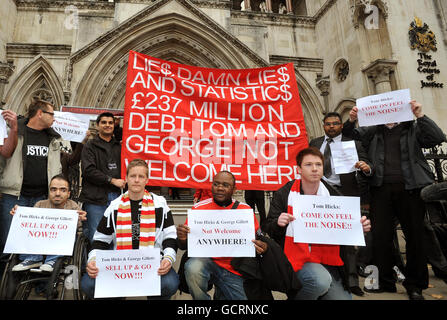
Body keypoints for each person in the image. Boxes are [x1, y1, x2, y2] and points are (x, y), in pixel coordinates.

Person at [343, 100, 447, 300]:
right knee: (381, 238)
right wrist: (352, 120)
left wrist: (420, 115)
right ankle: (386, 281)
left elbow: (437, 137)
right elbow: (349, 136)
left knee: (415, 237)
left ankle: (415, 285)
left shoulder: (413, 129)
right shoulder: (373, 131)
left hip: (410, 190)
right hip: (380, 190)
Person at [263, 147, 371, 300]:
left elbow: (345, 228)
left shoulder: (333, 194)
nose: (314, 169)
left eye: (318, 165)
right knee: (319, 282)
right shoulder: (285, 193)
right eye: (308, 165)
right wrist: (278, 223)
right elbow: (268, 227)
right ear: (299, 169)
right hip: (295, 258)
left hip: (326, 260)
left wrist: (359, 228)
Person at [80, 159, 179, 299]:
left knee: (170, 283)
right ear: (126, 178)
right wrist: (93, 260)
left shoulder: (160, 205)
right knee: (88, 284)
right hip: (121, 267)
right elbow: (100, 241)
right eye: (133, 176)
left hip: (152, 266)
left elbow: (170, 237)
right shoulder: (114, 206)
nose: (137, 180)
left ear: (147, 180)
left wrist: (168, 258)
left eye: (141, 176)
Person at [309, 111, 372, 296]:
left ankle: (351, 281)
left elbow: (367, 165)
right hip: (319, 193)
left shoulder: (353, 144)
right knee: (320, 234)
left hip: (344, 192)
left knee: (348, 238)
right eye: (328, 124)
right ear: (323, 126)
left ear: (341, 125)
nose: (331, 126)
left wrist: (366, 168)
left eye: (335, 123)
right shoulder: (314, 143)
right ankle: (325, 275)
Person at [176, 171, 267, 300]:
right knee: (193, 267)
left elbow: (257, 240)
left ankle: (221, 293)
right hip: (207, 263)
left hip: (233, 268)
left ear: (234, 189)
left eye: (225, 185)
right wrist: (182, 238)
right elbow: (184, 245)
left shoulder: (245, 211)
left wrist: (262, 247)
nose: (219, 188)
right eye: (216, 184)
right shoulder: (199, 209)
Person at [0, 100, 64, 255]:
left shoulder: (54, 137)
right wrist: (13, 129)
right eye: (52, 114)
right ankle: (7, 279)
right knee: (9, 244)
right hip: (14, 196)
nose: (54, 118)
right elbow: (4, 156)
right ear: (40, 113)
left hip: (41, 199)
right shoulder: (15, 131)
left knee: (36, 245)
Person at [9, 174, 87, 272]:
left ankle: (52, 260)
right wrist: (19, 215)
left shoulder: (73, 206)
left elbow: (78, 231)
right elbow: (28, 227)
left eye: (63, 190)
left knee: (69, 235)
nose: (57, 193)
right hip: (40, 242)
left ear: (68, 193)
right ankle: (33, 259)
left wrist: (79, 219)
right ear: (49, 191)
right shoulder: (40, 204)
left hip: (61, 243)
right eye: (53, 189)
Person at [79, 112, 125, 243]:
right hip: (95, 199)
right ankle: (96, 263)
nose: (107, 125)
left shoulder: (120, 146)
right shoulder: (90, 146)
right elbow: (88, 170)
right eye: (104, 122)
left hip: (117, 197)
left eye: (110, 123)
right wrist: (111, 180)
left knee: (118, 237)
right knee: (97, 237)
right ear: (97, 125)